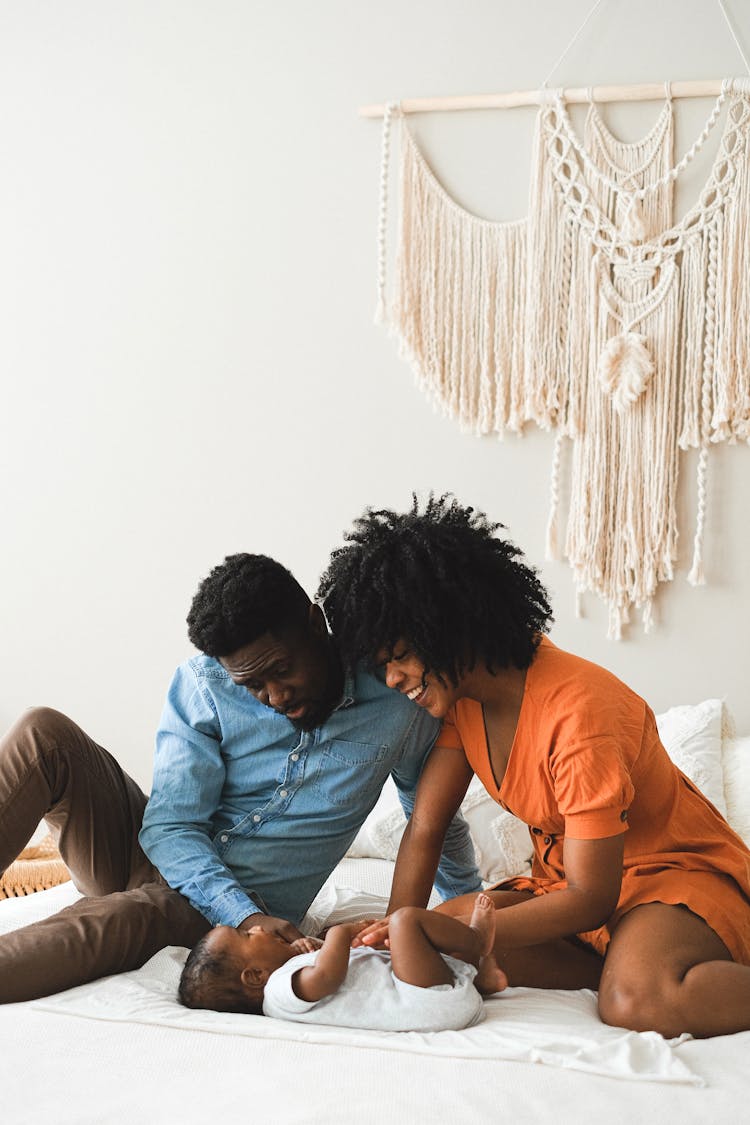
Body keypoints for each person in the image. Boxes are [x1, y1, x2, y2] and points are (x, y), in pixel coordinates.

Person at [316, 494, 750, 1038]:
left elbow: (594, 898)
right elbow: (425, 826)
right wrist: (394, 926)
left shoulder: (580, 714)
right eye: (380, 666)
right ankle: (624, 960)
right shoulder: (462, 699)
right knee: (428, 942)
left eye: (398, 656)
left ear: (448, 625)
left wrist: (470, 931)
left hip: (663, 881)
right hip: (563, 890)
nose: (392, 681)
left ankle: (644, 967)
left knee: (636, 1003)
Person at [0, 552, 480, 1004]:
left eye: (281, 670)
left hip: (232, 921)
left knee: (134, 912)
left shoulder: (398, 700)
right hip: (161, 861)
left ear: (316, 625)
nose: (273, 696)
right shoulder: (203, 684)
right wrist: (240, 911)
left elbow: (431, 817)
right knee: (44, 733)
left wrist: (470, 910)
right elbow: (170, 827)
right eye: (251, 685)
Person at [178, 892, 506, 1031]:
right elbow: (328, 977)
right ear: (255, 977)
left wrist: (313, 947)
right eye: (247, 937)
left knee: (405, 945)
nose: (259, 928)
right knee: (405, 922)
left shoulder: (289, 978)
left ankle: (482, 981)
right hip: (426, 1001)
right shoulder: (278, 993)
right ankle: (477, 939)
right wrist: (340, 931)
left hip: (430, 997)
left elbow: (333, 975)